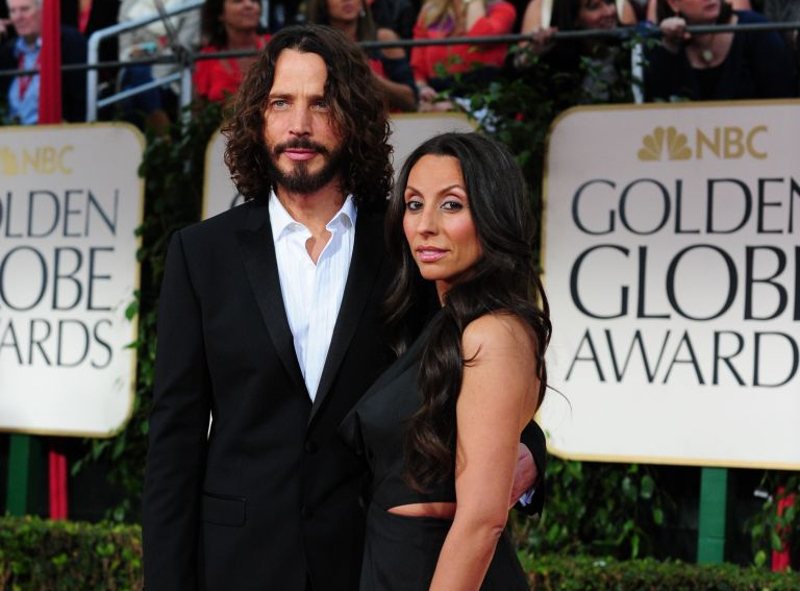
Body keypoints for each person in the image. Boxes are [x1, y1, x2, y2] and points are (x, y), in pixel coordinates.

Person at [142, 24, 546, 591]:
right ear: (259, 118)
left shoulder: (405, 242)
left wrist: (528, 454)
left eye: (321, 103)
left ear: (353, 116)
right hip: (238, 561)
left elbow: (477, 364)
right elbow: (174, 441)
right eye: (281, 102)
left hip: (370, 558)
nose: (298, 125)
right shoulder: (200, 254)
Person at [340, 131, 551, 590]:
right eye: (414, 204)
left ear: (493, 214)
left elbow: (482, 522)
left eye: (451, 205)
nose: (425, 225)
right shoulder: (441, 320)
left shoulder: (493, 332)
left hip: (436, 569)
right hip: (391, 558)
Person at [644, 0, 797, 101]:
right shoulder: (661, 43)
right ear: (673, 3)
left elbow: (784, 100)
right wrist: (670, 47)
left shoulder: (755, 30)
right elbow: (654, 109)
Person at [306, 0, 417, 111]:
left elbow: (411, 100)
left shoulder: (384, 39)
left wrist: (371, 78)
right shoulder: (310, 45)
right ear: (322, 4)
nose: (347, 1)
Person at [410, 0, 516, 111]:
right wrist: (423, 89)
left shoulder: (501, 9)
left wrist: (473, 1)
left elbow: (480, 37)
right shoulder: (430, 12)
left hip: (483, 100)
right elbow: (418, 67)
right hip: (437, 98)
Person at [0, 0, 87, 124]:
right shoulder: (8, 51)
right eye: (13, 11)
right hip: (13, 137)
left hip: (56, 135)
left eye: (24, 9)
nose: (18, 17)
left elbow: (81, 101)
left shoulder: (69, 43)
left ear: (43, 10)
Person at [194, 0, 269, 104]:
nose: (249, 5)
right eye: (238, 1)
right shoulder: (206, 58)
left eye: (254, 0)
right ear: (220, 13)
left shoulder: (280, 47)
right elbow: (198, 112)